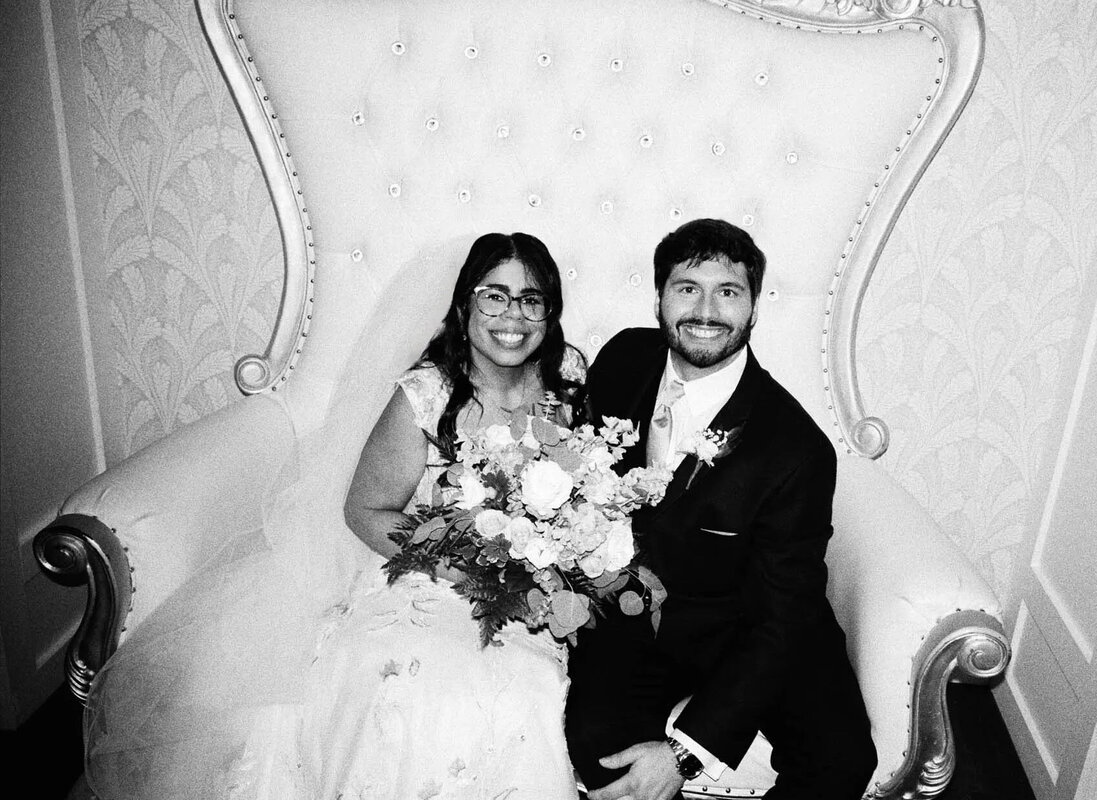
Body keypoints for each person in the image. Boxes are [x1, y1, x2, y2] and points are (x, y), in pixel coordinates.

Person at [83, 232, 585, 799]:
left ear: (550, 311)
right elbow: (366, 509)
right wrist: (453, 567)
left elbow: (588, 487)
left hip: (527, 586)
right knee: (410, 684)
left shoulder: (568, 380)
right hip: (423, 573)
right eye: (494, 296)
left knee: (528, 686)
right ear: (465, 305)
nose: (512, 316)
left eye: (531, 298)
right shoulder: (427, 394)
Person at [565, 219, 876, 800]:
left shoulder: (796, 451)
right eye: (687, 288)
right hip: (639, 616)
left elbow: (783, 616)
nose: (705, 310)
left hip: (758, 619)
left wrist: (684, 752)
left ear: (754, 309)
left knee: (842, 760)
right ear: (659, 298)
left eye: (727, 292)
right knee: (602, 751)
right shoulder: (622, 361)